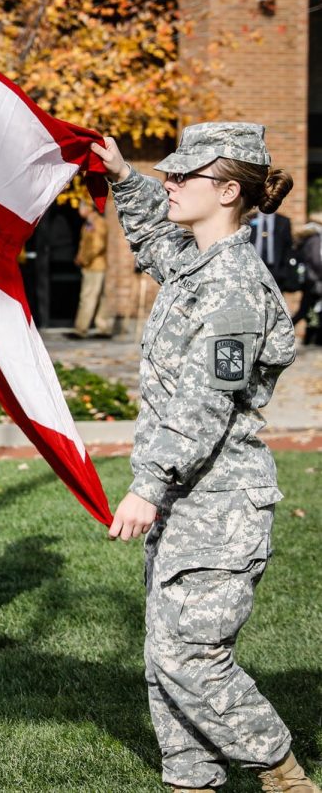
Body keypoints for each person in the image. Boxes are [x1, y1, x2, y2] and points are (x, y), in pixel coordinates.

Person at [92, 123, 320, 793]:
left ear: (225, 190)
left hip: (218, 501)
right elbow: (154, 244)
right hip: (187, 501)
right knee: (163, 660)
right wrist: (123, 179)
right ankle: (191, 780)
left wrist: (150, 485)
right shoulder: (199, 263)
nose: (170, 182)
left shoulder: (237, 287)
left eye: (182, 176)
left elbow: (205, 401)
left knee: (188, 655)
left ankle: (281, 772)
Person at [71, 199, 113, 338]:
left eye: (82, 206)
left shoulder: (97, 222)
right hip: (91, 265)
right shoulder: (89, 223)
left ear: (90, 207)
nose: (79, 209)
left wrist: (84, 258)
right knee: (97, 296)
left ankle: (81, 329)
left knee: (88, 296)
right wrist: (80, 256)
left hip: (95, 266)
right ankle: (103, 328)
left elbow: (98, 245)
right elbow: (86, 243)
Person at [290, 219, 322, 345]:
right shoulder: (315, 240)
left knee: (311, 310)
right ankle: (285, 330)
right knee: (305, 310)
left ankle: (311, 337)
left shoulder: (308, 239)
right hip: (314, 280)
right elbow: (316, 260)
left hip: (309, 280)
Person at [250, 209, 293, 291]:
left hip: (275, 269)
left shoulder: (283, 221)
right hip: (254, 268)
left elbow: (288, 248)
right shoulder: (250, 219)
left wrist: (283, 271)